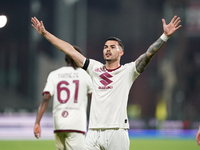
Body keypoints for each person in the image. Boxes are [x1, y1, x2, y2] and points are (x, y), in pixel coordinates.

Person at [31, 15, 181, 150]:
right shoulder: (94, 68)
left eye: (112, 47)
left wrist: (164, 37)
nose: (107, 50)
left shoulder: (128, 71)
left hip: (117, 132)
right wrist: (45, 34)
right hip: (93, 133)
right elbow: (69, 50)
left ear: (121, 52)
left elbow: (148, 54)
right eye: (105, 47)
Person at [34, 45, 93, 150]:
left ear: (66, 58)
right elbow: (93, 101)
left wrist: (37, 122)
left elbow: (46, 98)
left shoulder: (55, 74)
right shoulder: (86, 75)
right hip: (77, 123)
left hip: (59, 123)